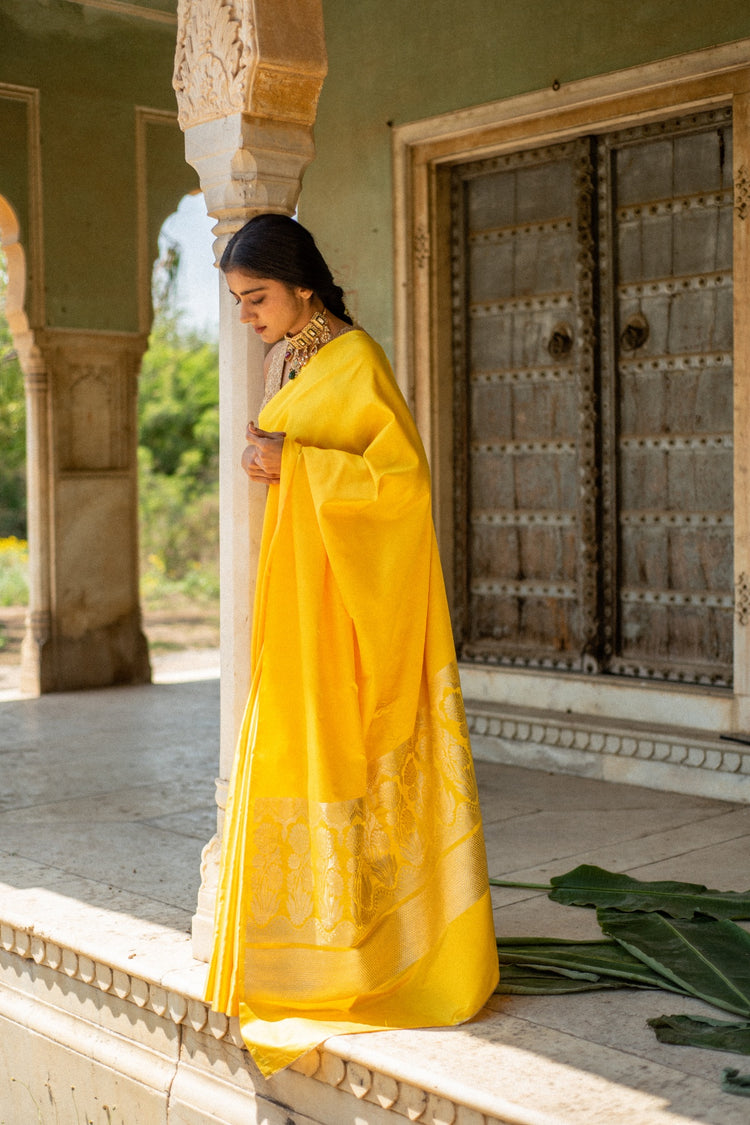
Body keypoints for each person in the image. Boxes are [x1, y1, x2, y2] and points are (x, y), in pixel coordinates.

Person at [205, 213, 499, 1077]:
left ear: (302, 284)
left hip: (349, 602)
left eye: (257, 298)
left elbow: (399, 485)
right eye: (236, 303)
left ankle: (383, 953)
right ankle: (305, 951)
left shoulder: (355, 359)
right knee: (297, 749)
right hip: (298, 594)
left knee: (351, 755)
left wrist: (289, 459)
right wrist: (281, 459)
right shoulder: (281, 356)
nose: (248, 316)